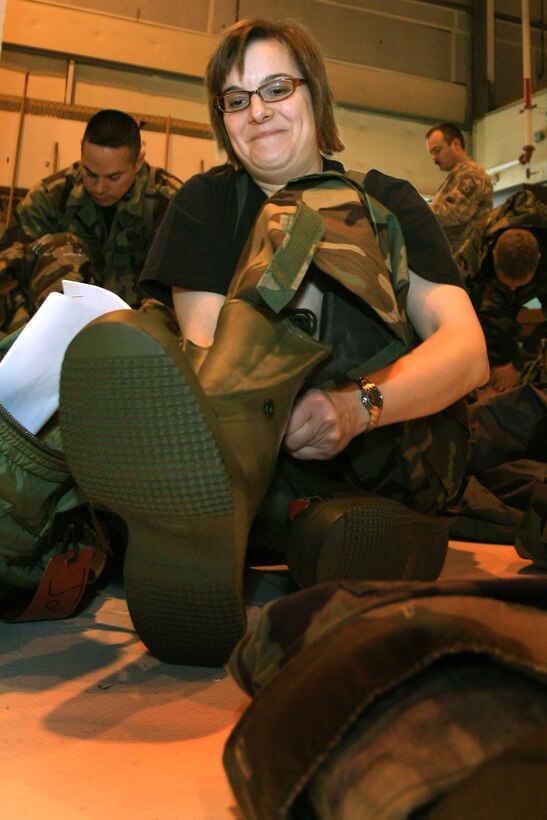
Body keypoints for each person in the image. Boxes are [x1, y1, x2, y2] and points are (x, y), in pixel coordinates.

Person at [58, 18, 488, 666]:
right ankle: (306, 529)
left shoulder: (384, 197)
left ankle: (224, 522)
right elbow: (213, 358)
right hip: (259, 445)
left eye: (276, 88)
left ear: (313, 94)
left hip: (391, 435)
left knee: (305, 209)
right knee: (152, 342)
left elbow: (466, 351)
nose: (256, 110)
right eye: (236, 99)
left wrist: (355, 405)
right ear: (222, 119)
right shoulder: (206, 202)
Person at [0, 109, 182, 333]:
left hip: (137, 335)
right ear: (81, 152)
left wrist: (130, 340)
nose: (99, 188)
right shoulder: (51, 196)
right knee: (59, 247)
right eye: (90, 173)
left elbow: (179, 287)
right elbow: (7, 273)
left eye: (114, 177)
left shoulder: (170, 203)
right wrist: (24, 334)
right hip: (60, 331)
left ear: (138, 161)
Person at [457, 189, 547, 393]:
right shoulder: (477, 247)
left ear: (539, 258)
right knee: (487, 320)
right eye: (508, 283)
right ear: (494, 253)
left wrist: (518, 365)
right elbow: (455, 299)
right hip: (484, 280)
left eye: (519, 284)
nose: (513, 289)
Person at [426, 122, 493, 255]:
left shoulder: (472, 174)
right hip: (454, 261)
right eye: (431, 153)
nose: (434, 158)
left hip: (465, 262)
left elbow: (451, 213)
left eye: (437, 150)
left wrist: (415, 212)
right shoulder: (457, 175)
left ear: (456, 144)